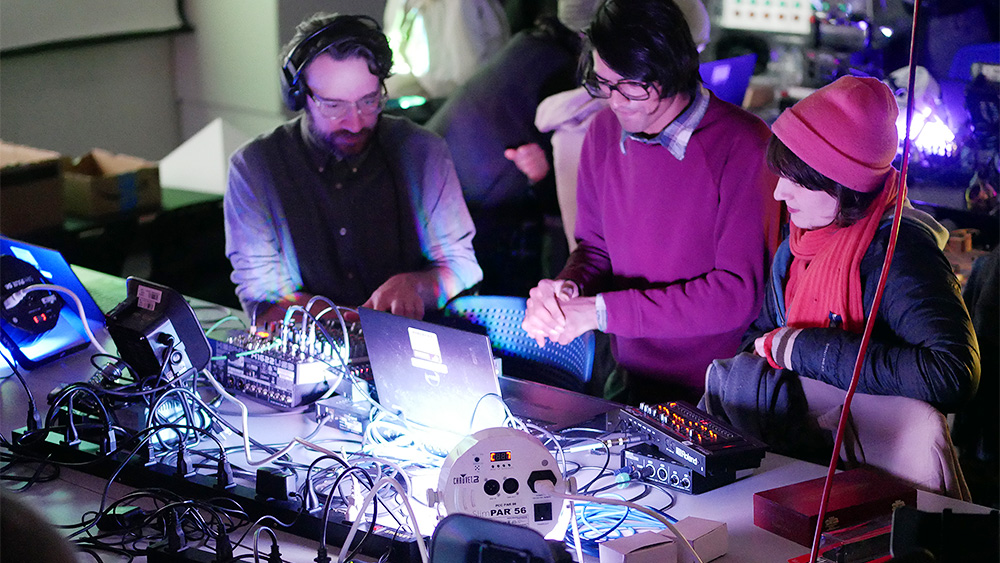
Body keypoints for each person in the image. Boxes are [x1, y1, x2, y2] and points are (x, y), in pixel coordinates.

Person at [699, 76, 981, 458]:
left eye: (797, 182)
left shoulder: (900, 251)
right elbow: (760, 335)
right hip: (805, 455)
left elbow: (952, 373)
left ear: (842, 184)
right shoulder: (798, 244)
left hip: (878, 470)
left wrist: (805, 349)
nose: (780, 192)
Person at [521, 0, 782, 405]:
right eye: (604, 84)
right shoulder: (604, 131)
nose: (615, 100)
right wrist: (569, 289)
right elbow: (595, 248)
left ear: (674, 69)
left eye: (632, 87)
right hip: (631, 375)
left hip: (718, 389)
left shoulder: (744, 145)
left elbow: (735, 294)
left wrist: (600, 312)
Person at [225, 14, 482, 323]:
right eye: (334, 106)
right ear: (299, 97)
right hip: (312, 352)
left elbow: (463, 266)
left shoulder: (423, 152)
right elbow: (263, 296)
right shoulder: (255, 168)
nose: (356, 122)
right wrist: (361, 325)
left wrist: (416, 285)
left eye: (369, 101)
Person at [424, 9, 589, 295]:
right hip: (471, 197)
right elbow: (563, 192)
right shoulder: (562, 70)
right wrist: (543, 177)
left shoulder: (530, 42)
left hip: (436, 174)